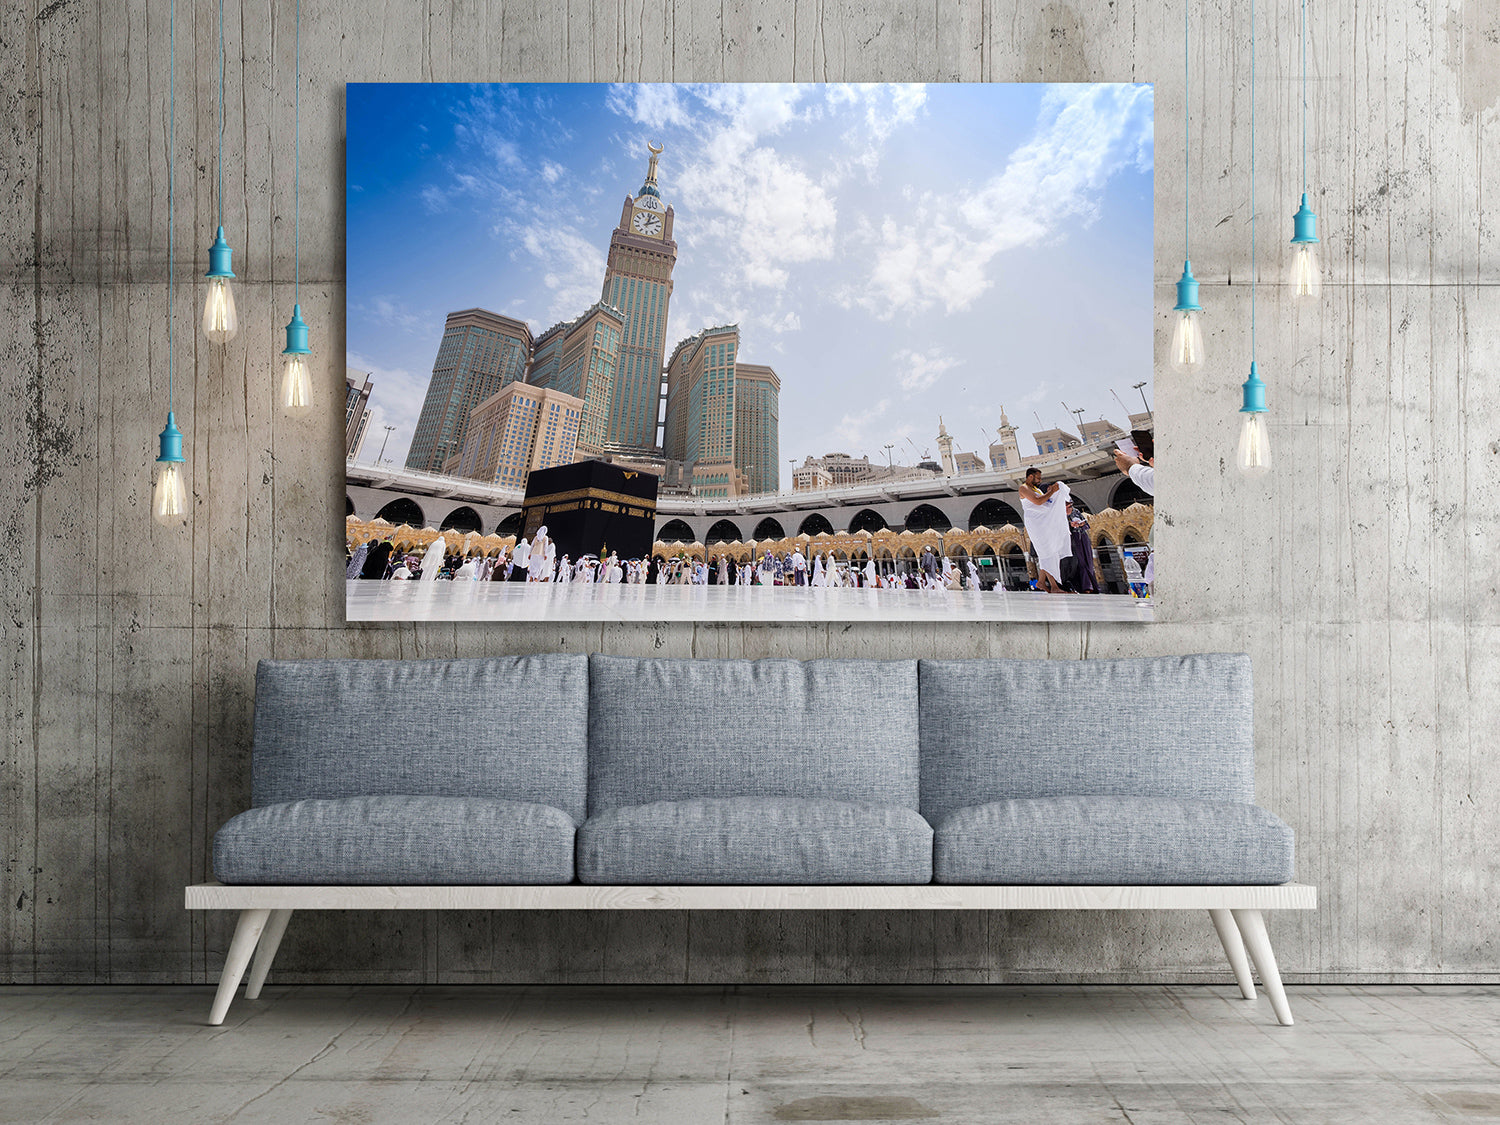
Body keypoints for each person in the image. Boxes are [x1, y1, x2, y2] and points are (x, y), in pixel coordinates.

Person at [1019, 467, 1071, 594]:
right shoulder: (1023, 488)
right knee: (1046, 552)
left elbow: (1046, 501)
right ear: (1030, 476)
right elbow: (1037, 501)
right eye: (1038, 478)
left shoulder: (1035, 489)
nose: (1040, 480)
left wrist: (1051, 493)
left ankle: (1042, 581)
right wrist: (1052, 491)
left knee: (1048, 551)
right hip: (1036, 523)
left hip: (1043, 522)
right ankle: (1054, 586)